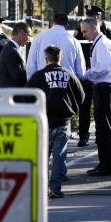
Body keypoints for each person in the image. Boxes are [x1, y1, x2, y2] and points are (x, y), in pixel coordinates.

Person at [26, 46, 84, 198]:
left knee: (42, 156)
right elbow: (81, 95)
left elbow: (26, 95)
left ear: (46, 59)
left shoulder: (39, 76)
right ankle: (55, 189)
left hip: (44, 121)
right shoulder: (69, 75)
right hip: (64, 121)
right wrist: (72, 107)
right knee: (60, 156)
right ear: (61, 58)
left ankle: (40, 189)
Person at [74, 5, 111, 147]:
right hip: (88, 76)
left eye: (93, 16)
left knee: (102, 117)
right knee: (85, 108)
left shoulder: (104, 34)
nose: (84, 34)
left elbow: (104, 63)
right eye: (88, 15)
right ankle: (83, 135)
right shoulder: (81, 32)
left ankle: (100, 136)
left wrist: (86, 74)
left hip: (96, 77)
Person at [80, 17, 111, 176]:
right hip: (101, 88)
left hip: (104, 88)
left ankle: (108, 166)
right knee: (101, 129)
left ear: (94, 28)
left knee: (105, 130)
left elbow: (101, 69)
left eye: (85, 31)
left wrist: (84, 74)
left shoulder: (102, 44)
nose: (83, 35)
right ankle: (103, 163)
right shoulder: (99, 43)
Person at [26, 13, 85, 80]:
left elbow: (31, 67)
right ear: (67, 25)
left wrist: (32, 84)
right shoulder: (74, 42)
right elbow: (80, 72)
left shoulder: (38, 38)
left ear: (52, 22)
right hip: (66, 85)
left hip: (43, 85)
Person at [0, 22, 30, 88]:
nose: (29, 39)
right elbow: (18, 77)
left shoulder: (11, 48)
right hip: (11, 95)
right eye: (28, 35)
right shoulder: (12, 52)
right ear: (22, 33)